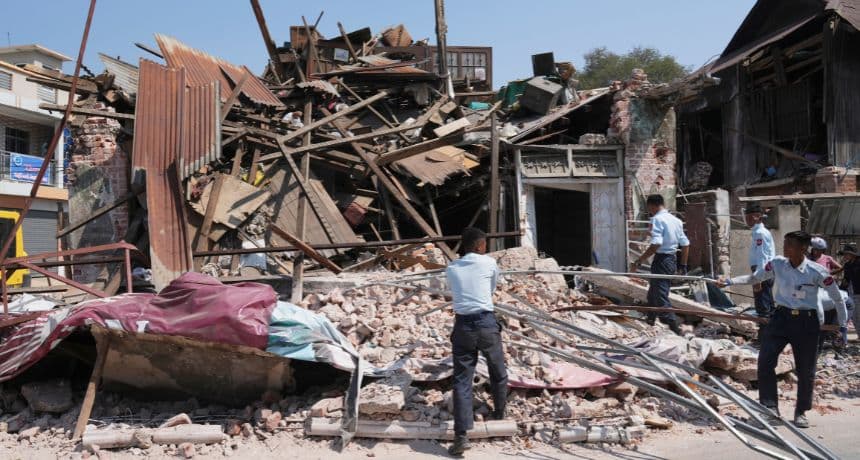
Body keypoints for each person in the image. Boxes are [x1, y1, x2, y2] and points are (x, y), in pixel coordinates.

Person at [718, 231, 848, 428]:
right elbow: (756, 277)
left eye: (790, 245)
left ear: (803, 248)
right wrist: (730, 281)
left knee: (806, 370)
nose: (785, 248)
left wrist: (843, 323)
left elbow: (837, 298)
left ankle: (801, 412)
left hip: (807, 322)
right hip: (781, 318)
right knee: (765, 361)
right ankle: (769, 409)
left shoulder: (817, 272)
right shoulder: (778, 263)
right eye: (785, 244)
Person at [445, 227, 507, 456]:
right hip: (486, 323)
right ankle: (500, 412)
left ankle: (461, 436)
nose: (486, 248)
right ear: (479, 245)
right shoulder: (488, 263)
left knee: (462, 379)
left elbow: (455, 291)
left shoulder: (451, 268)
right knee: (497, 370)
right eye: (484, 244)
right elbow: (491, 289)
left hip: (462, 326)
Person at [630, 194, 690, 334]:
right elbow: (686, 244)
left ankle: (675, 328)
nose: (649, 211)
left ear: (652, 205)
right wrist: (683, 265)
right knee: (653, 293)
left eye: (649, 208)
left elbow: (656, 243)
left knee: (661, 295)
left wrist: (639, 261)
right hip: (672, 260)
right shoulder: (676, 221)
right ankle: (650, 320)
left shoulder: (656, 219)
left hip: (662, 260)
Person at [746, 204, 776, 333]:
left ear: (757, 217)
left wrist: (758, 277)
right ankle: (772, 335)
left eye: (750, 217)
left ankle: (764, 338)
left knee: (763, 307)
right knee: (767, 304)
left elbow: (762, 257)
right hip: (764, 271)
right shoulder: (758, 232)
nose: (747, 220)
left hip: (762, 271)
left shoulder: (760, 233)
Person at [838, 244, 860, 327]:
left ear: (852, 254)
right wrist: (840, 290)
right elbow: (846, 279)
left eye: (846, 254)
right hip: (852, 293)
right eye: (845, 254)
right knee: (854, 316)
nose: (845, 256)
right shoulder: (847, 265)